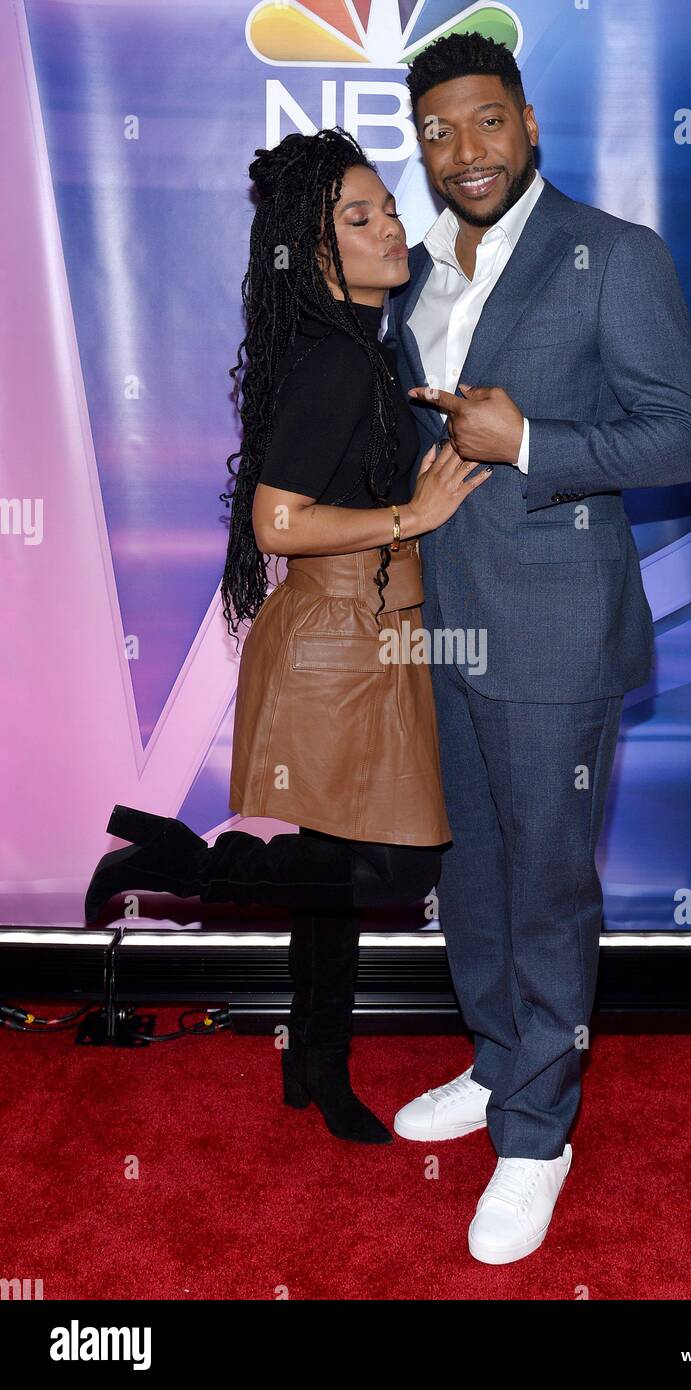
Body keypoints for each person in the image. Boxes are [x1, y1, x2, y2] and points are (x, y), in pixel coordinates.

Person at [83, 128, 492, 1145]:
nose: (390, 226)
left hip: (362, 628)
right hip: (342, 637)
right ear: (314, 256)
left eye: (386, 207)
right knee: (396, 873)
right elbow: (277, 521)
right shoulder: (337, 365)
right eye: (357, 220)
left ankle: (316, 1065)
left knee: (333, 880)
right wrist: (415, 516)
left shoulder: (364, 347)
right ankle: (182, 868)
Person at [385, 33, 691, 1262]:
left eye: (483, 124)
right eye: (436, 131)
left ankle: (537, 1133)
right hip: (442, 623)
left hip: (555, 631)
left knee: (544, 892)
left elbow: (684, 440)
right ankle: (493, 1063)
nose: (462, 152)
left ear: (526, 124)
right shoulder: (412, 273)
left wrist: (530, 441)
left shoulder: (609, 257)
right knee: (467, 874)